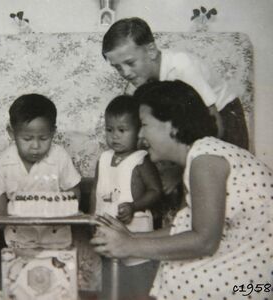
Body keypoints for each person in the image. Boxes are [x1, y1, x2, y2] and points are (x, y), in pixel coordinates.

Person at [91, 80, 273, 300]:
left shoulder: (206, 159)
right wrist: (131, 236)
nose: (140, 136)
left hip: (255, 285)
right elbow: (183, 229)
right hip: (246, 274)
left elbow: (204, 241)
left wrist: (130, 245)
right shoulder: (201, 156)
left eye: (144, 125)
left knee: (172, 279)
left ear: (172, 125)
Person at [102, 17, 249, 150]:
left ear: (151, 51)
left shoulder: (182, 66)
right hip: (189, 124)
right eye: (117, 67)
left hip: (222, 117)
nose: (125, 72)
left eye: (130, 62)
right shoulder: (138, 82)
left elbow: (213, 120)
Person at [89, 95, 162, 298]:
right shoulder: (103, 159)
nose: (115, 136)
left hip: (136, 231)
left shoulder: (141, 160)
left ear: (139, 131)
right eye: (109, 130)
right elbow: (97, 189)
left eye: (122, 130)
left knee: (138, 283)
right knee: (110, 280)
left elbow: (156, 191)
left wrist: (134, 206)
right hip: (106, 230)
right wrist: (90, 217)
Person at [0, 93, 81, 249]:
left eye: (43, 138)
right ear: (12, 133)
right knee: (19, 270)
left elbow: (73, 188)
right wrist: (3, 218)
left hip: (55, 232)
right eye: (27, 139)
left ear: (53, 132)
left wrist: (69, 212)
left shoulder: (59, 156)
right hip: (19, 235)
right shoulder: (4, 160)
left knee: (56, 269)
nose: (35, 146)